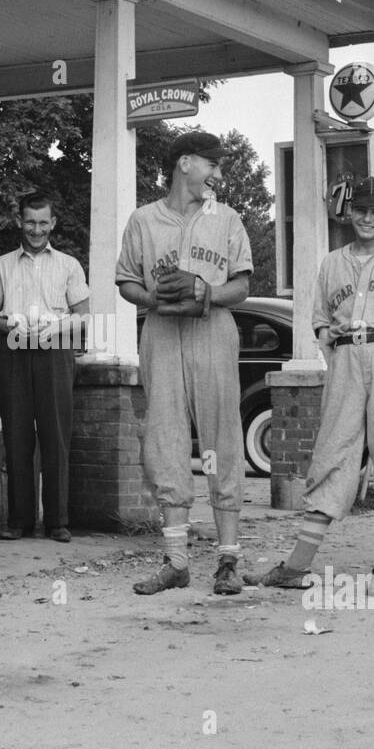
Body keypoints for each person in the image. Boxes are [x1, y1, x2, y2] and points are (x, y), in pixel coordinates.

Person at [247, 177, 374, 590]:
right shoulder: (332, 262)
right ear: (349, 213)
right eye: (361, 210)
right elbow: (319, 324)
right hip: (348, 358)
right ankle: (296, 568)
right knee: (332, 456)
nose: (368, 218)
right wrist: (335, 351)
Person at [115, 129, 253, 595]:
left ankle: (228, 561)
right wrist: (150, 296)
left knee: (221, 440)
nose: (218, 173)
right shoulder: (143, 219)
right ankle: (176, 561)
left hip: (212, 331)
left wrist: (207, 292)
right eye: (212, 164)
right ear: (186, 163)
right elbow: (126, 281)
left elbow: (242, 286)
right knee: (166, 438)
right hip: (162, 332)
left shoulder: (227, 218)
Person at [0, 192, 90, 542]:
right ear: (20, 221)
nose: (36, 229)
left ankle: (58, 520)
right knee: (16, 434)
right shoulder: (1, 265)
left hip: (55, 350)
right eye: (30, 221)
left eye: (43, 222)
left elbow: (83, 316)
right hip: (14, 351)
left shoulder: (68, 265)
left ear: (53, 224)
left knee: (55, 434)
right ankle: (19, 521)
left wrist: (55, 327)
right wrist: (9, 325)